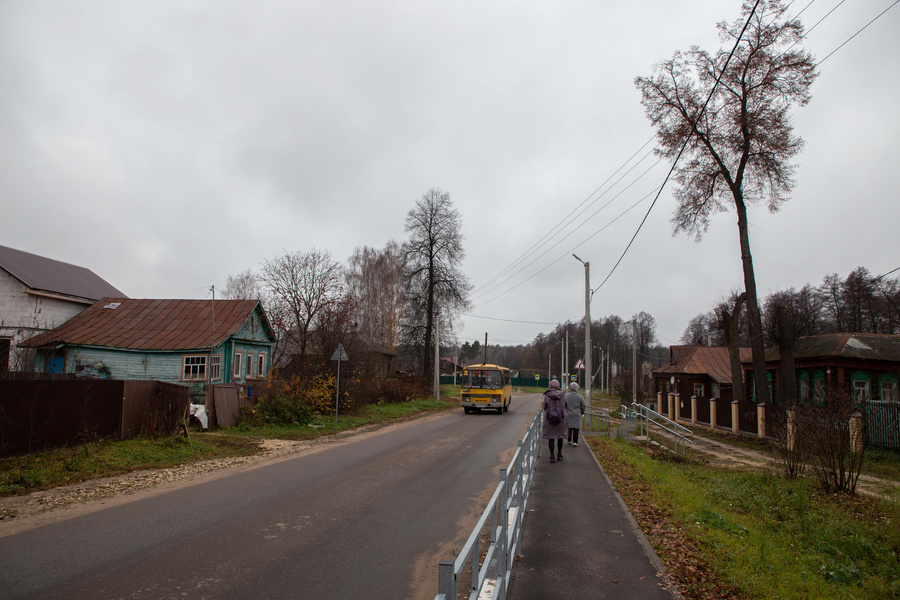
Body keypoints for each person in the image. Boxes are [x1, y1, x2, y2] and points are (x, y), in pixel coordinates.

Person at [541, 379, 568, 462]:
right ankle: (559, 454)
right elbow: (565, 405)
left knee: (551, 438)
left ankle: (552, 455)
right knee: (560, 437)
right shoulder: (563, 395)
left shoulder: (547, 395)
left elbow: (545, 407)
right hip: (561, 419)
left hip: (550, 419)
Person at [565, 382, 586, 446]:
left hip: (568, 413)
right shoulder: (580, 397)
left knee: (569, 427)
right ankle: (575, 441)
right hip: (577, 414)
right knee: (576, 428)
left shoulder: (566, 396)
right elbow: (583, 406)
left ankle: (569, 440)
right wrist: (582, 412)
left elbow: (563, 404)